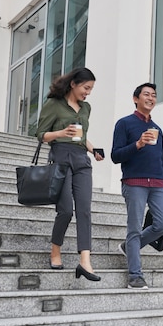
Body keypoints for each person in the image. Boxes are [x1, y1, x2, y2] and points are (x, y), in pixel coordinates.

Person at [36, 67, 104, 282]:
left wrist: (93, 150)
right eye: (86, 87)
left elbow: (81, 137)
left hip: (81, 160)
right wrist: (60, 133)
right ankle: (55, 249)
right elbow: (40, 135)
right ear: (73, 84)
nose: (88, 92)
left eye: (91, 89)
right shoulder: (54, 105)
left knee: (84, 210)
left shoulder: (86, 108)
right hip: (61, 158)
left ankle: (85, 260)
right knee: (65, 210)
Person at [111, 83, 163, 290]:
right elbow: (115, 156)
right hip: (134, 182)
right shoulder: (124, 124)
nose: (151, 98)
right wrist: (137, 144)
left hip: (158, 184)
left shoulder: (158, 130)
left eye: (154, 95)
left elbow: (160, 159)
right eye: (146, 94)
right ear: (135, 99)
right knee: (134, 228)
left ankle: (128, 248)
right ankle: (135, 276)